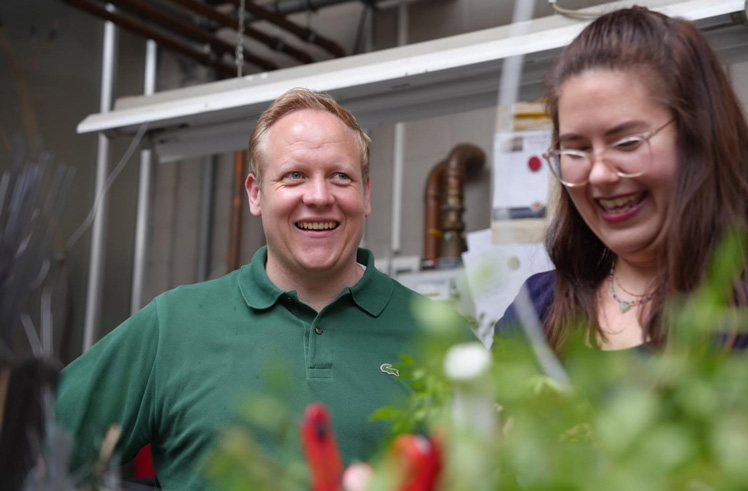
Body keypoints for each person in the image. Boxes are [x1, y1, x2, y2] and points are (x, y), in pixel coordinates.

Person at [56, 89, 475, 489]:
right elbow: (33, 448)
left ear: (365, 194)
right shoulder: (175, 325)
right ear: (256, 194)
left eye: (340, 177)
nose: (318, 196)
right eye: (294, 176)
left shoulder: (443, 338)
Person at [494, 7, 748, 365]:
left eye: (627, 142)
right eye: (576, 149)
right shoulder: (535, 311)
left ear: (698, 138)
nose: (600, 175)